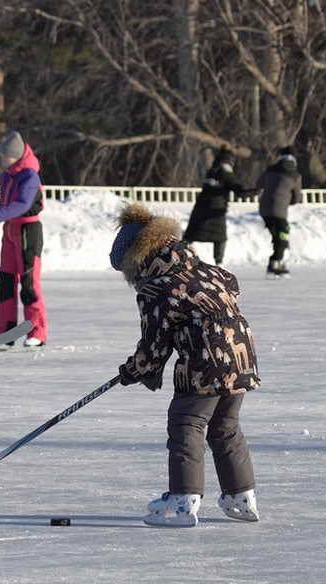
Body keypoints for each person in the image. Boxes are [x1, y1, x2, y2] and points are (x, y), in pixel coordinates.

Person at [109, 202, 260, 527]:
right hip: (242, 355)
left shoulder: (156, 287)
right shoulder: (201, 268)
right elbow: (230, 282)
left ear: (137, 259)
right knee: (225, 426)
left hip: (206, 357)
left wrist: (133, 370)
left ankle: (183, 500)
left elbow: (154, 344)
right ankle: (241, 496)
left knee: (186, 422)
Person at [0, 130, 47, 350]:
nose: (2, 159)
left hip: (28, 231)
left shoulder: (29, 176)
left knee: (28, 283)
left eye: (5, 155)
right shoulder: (8, 175)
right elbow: (9, 203)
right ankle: (5, 333)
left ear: (15, 155)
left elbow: (22, 205)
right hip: (10, 231)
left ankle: (37, 332)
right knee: (5, 282)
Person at [182, 147, 255, 266]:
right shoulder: (225, 171)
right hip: (214, 210)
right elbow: (238, 189)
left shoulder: (212, 170)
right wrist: (252, 192)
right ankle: (219, 263)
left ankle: (181, 256)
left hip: (200, 207)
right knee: (220, 237)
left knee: (191, 234)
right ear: (230, 160)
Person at [254, 145, 303, 277]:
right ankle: (275, 263)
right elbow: (297, 198)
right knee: (283, 235)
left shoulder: (270, 170)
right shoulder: (295, 175)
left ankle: (277, 261)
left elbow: (259, 184)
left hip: (264, 210)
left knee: (277, 236)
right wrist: (288, 200)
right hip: (280, 211)